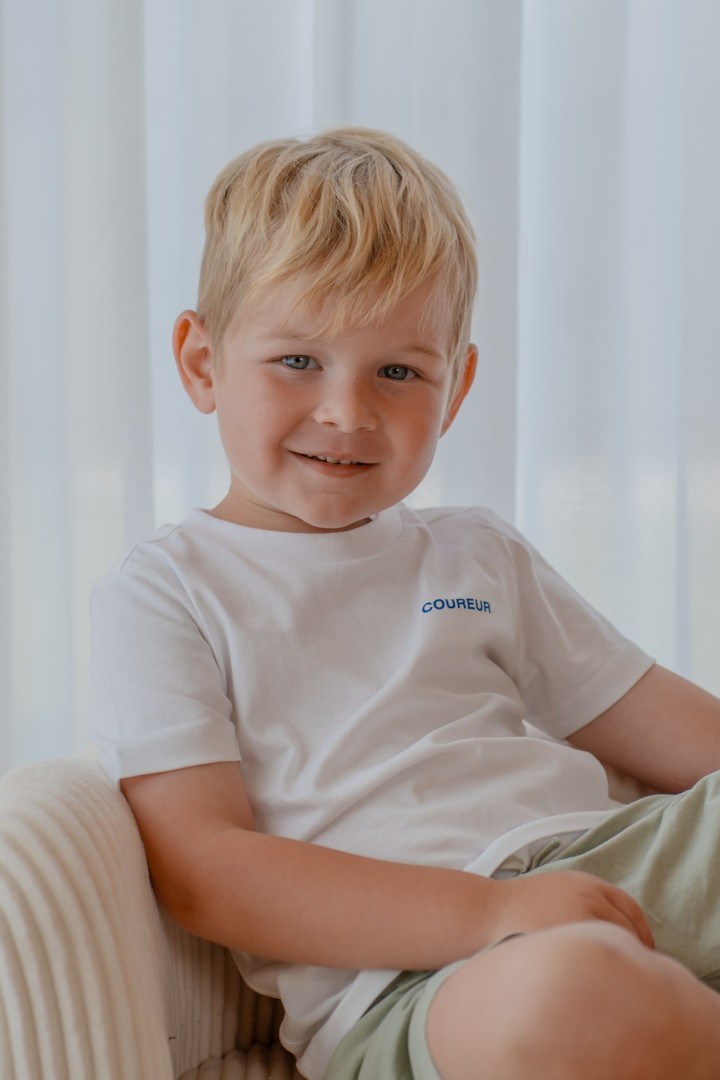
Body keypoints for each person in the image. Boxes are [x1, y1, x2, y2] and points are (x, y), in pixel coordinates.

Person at [90, 128, 720, 1080]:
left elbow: (669, 726)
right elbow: (204, 869)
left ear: (454, 389)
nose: (347, 412)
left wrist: (550, 894)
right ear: (203, 362)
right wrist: (492, 914)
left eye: (398, 372)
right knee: (574, 995)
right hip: (416, 978)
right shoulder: (166, 591)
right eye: (297, 360)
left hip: (608, 868)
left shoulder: (477, 554)